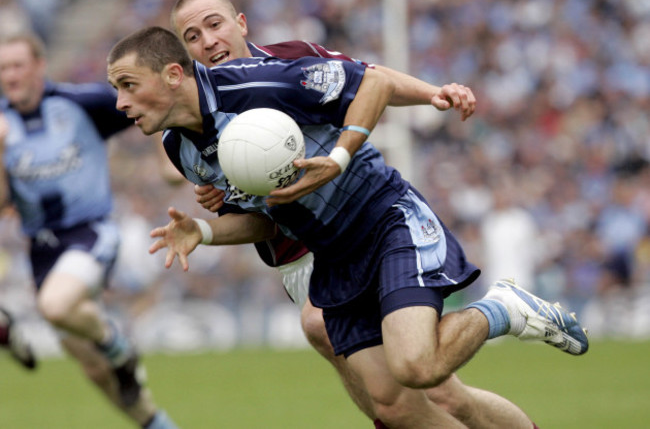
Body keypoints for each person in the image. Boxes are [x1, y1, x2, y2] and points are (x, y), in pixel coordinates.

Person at [107, 26, 589, 428]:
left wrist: (337, 158)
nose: (120, 103)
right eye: (115, 89)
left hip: (383, 222)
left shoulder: (260, 84)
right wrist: (205, 232)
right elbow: (266, 218)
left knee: (417, 366)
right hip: (334, 260)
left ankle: (504, 308)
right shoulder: (180, 149)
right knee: (394, 406)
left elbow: (372, 82)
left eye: (128, 85)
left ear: (173, 74)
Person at [0, 33, 177, 429]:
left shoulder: (80, 103)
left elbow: (153, 106)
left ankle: (119, 347)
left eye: (17, 65)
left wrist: (169, 164)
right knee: (96, 371)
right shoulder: (2, 123)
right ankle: (159, 423)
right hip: (41, 250)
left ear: (39, 67)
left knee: (57, 305)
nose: (9, 74)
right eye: (3, 67)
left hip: (89, 232)